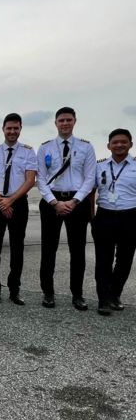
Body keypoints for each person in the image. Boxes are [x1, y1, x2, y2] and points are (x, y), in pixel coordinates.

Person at [36, 107, 96, 310]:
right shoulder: (45, 148)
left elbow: (90, 178)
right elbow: (41, 179)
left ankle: (77, 294)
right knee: (48, 249)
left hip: (77, 203)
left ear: (74, 121)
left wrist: (74, 201)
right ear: (55, 123)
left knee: (77, 251)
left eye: (68, 120)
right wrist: (54, 202)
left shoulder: (86, 147)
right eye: (61, 120)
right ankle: (48, 292)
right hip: (51, 202)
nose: (65, 123)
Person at [0, 114, 37, 306]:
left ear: (20, 129)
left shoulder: (28, 152)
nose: (12, 131)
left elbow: (30, 180)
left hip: (18, 203)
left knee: (17, 248)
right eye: (9, 128)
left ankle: (14, 289)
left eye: (16, 128)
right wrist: (0, 201)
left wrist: (11, 200)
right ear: (3, 129)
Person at [93, 128, 136, 315]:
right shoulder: (99, 166)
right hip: (104, 216)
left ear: (130, 144)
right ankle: (103, 299)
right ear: (108, 145)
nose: (119, 145)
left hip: (130, 217)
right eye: (115, 142)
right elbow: (90, 192)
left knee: (124, 260)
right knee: (103, 260)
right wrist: (92, 217)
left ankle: (115, 294)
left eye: (123, 142)